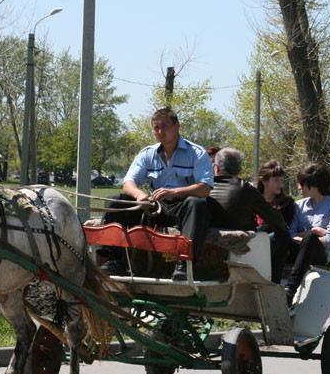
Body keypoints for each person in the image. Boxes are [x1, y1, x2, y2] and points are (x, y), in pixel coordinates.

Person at [100, 108, 213, 281]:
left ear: (177, 126)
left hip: (182, 208)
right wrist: (139, 196)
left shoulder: (196, 153)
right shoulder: (147, 154)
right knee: (116, 201)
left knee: (196, 204)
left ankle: (184, 263)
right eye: (156, 128)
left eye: (165, 126)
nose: (160, 132)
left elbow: (205, 188)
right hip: (155, 208)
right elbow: (128, 182)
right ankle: (113, 259)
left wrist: (174, 192)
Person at [206, 148, 290, 283]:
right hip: (241, 248)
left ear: (216, 168)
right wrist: (284, 228)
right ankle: (273, 285)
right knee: (284, 237)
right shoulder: (245, 188)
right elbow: (275, 219)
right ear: (239, 171)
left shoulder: (203, 187)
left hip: (207, 245)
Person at [285, 162, 330, 306]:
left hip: (321, 255)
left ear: (313, 186)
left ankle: (289, 291)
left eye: (301, 183)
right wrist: (314, 231)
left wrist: (310, 236)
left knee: (311, 239)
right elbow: (291, 235)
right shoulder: (299, 206)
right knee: (280, 238)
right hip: (299, 249)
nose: (298, 187)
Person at [256, 160, 295, 228]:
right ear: (264, 181)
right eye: (276, 180)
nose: (280, 184)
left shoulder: (286, 203)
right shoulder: (252, 201)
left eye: (281, 180)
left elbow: (284, 228)